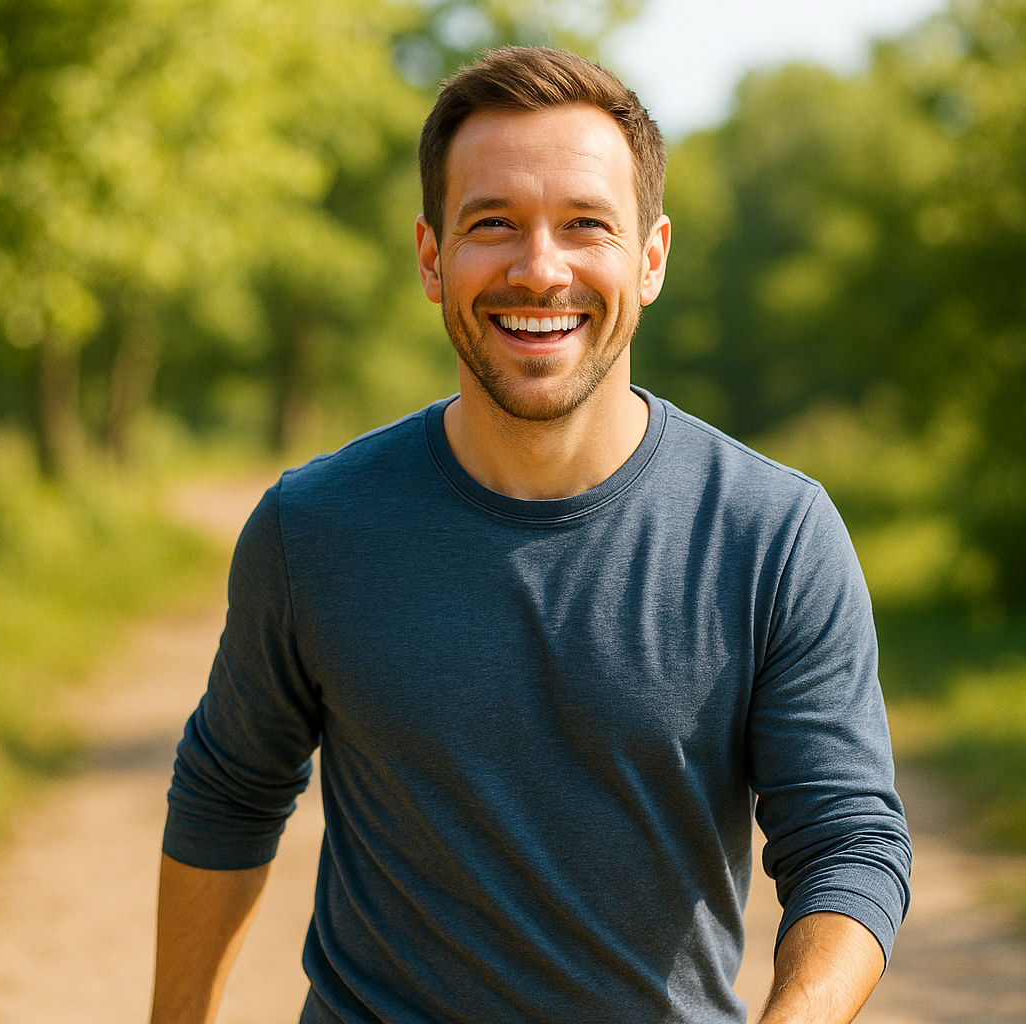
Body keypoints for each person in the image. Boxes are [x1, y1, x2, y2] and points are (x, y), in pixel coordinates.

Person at [151, 46, 910, 1024]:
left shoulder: (774, 536)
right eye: (493, 224)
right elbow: (227, 791)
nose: (538, 268)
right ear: (432, 258)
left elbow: (848, 842)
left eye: (585, 224)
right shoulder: (312, 529)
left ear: (651, 257)